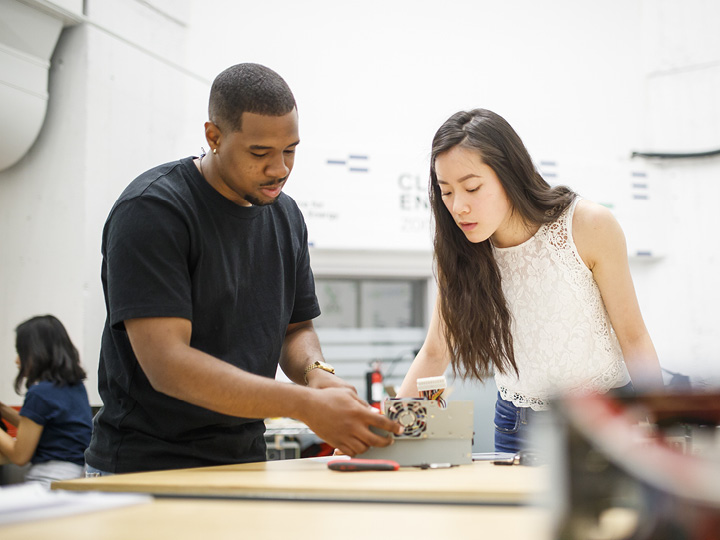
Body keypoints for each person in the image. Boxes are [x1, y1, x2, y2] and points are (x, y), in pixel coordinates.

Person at [84, 63, 401, 475]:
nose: (280, 169)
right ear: (214, 137)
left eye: (290, 150)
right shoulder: (153, 210)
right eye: (260, 153)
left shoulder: (285, 217)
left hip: (244, 462)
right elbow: (168, 366)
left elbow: (296, 329)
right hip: (144, 469)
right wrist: (305, 403)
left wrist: (315, 375)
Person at [397, 109, 664, 453]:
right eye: (446, 192)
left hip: (603, 416)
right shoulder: (460, 253)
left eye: (472, 187)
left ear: (509, 174)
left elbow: (635, 337)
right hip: (516, 422)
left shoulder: (587, 225)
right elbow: (435, 352)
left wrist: (657, 426)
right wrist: (391, 429)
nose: (459, 206)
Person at [0, 315, 93, 488]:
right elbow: (35, 427)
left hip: (47, 481)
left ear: (36, 352)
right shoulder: (74, 387)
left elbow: (19, 456)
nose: (17, 360)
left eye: (20, 352)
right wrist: (3, 409)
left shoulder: (40, 393)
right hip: (74, 477)